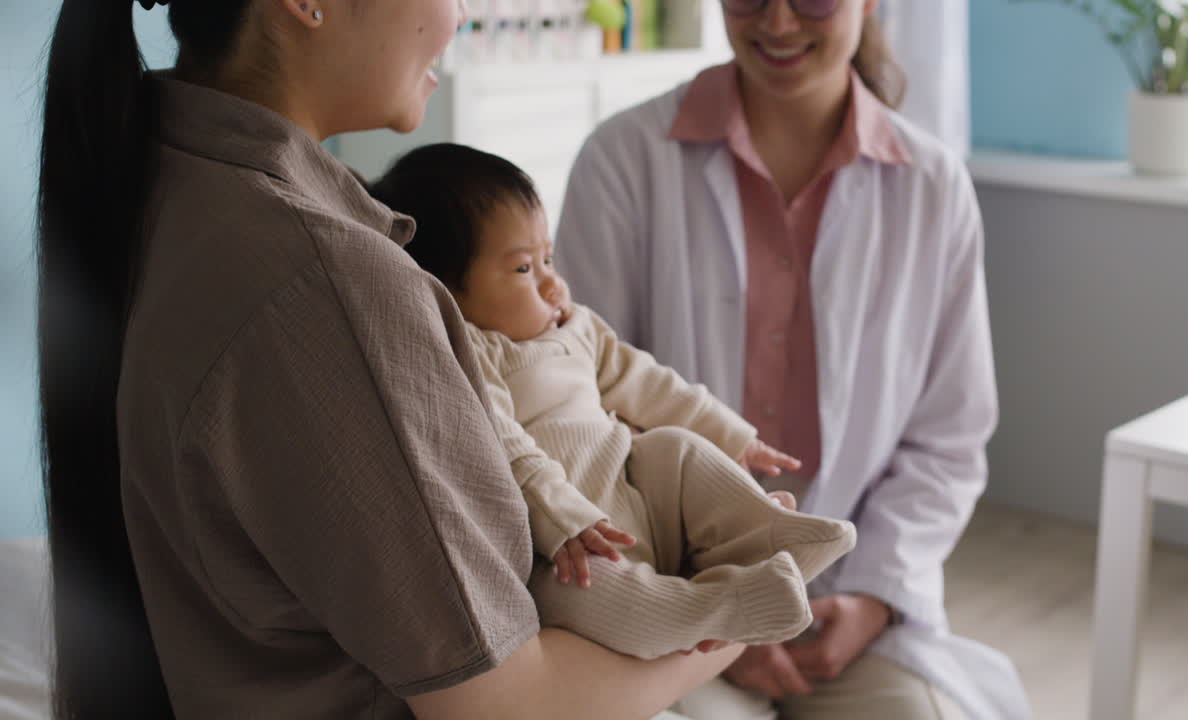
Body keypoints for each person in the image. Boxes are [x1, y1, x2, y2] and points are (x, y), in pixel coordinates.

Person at [35, 1, 749, 718]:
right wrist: (742, 614)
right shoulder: (326, 286)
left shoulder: (172, 181)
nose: (460, 14)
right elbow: (504, 707)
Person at [555, 0, 1034, 718]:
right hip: (668, 596)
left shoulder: (932, 186)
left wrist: (876, 595)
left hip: (850, 605)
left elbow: (948, 440)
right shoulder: (624, 159)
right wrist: (716, 610)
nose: (777, 23)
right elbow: (581, 414)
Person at [369, 143, 858, 660]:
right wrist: (561, 519)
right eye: (522, 270)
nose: (553, 282)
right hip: (575, 543)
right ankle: (718, 604)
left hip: (636, 488)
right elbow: (507, 450)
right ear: (447, 291)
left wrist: (732, 434)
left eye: (548, 258)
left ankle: (769, 532)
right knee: (587, 595)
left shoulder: (578, 328)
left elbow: (647, 382)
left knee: (674, 448)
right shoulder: (472, 355)